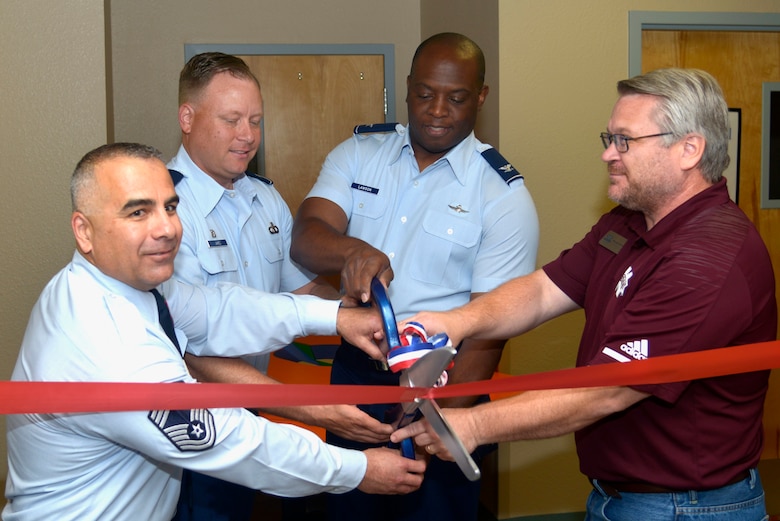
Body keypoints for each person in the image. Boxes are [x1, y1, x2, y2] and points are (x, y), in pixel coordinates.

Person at [392, 68, 777, 520]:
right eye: (608, 137)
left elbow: (606, 390)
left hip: (684, 507)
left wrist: (474, 424)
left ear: (689, 150)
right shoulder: (628, 221)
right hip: (619, 496)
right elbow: (542, 291)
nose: (607, 154)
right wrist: (455, 322)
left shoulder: (708, 258)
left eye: (625, 141)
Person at [3, 143, 426, 521]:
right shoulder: (104, 336)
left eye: (169, 206)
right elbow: (227, 439)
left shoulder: (129, 286)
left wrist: (337, 317)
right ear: (84, 231)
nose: (166, 228)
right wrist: (357, 470)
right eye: (138, 212)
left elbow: (222, 309)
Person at [290, 33, 539, 521]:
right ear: (406, 89)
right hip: (359, 376)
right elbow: (306, 235)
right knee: (347, 512)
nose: (438, 110)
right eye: (425, 94)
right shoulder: (359, 153)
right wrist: (351, 251)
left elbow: (492, 331)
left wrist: (437, 420)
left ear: (481, 96)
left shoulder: (503, 196)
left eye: (457, 97)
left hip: (446, 381)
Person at [167, 52, 394, 520]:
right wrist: (312, 410)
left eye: (255, 120)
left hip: (247, 413)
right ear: (187, 118)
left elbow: (303, 294)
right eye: (231, 120)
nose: (248, 136)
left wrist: (375, 320)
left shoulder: (265, 199)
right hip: (189, 421)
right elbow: (188, 349)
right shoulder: (165, 212)